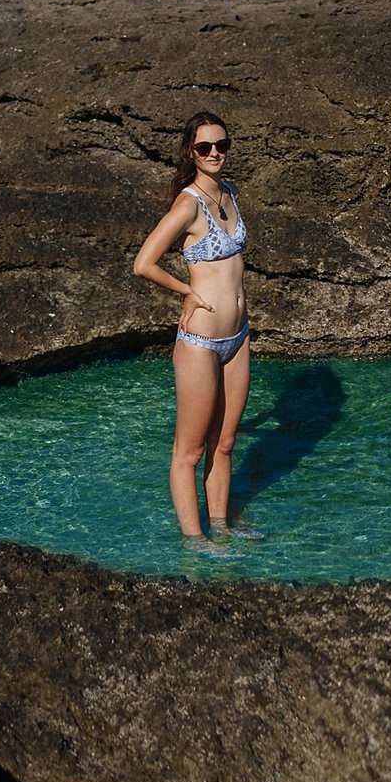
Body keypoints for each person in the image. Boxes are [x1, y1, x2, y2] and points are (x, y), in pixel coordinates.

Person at [130, 112, 257, 556]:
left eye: (221, 144)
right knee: (189, 451)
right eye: (204, 147)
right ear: (191, 152)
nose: (215, 153)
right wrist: (188, 292)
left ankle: (220, 526)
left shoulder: (230, 193)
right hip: (200, 341)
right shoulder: (187, 205)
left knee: (223, 443)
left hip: (238, 337)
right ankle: (194, 539)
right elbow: (143, 263)